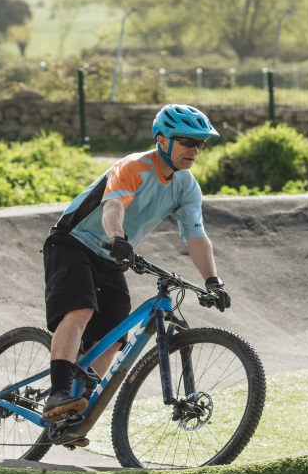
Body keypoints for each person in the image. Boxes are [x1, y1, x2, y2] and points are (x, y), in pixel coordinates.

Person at [41, 104, 232, 423]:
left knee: (115, 335)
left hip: (112, 256)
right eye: (187, 140)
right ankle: (57, 392)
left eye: (201, 143)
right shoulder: (133, 166)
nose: (194, 149)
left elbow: (196, 236)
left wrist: (213, 281)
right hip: (73, 242)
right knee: (81, 310)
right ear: (162, 140)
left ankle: (79, 406)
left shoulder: (186, 186)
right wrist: (117, 237)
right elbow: (113, 205)